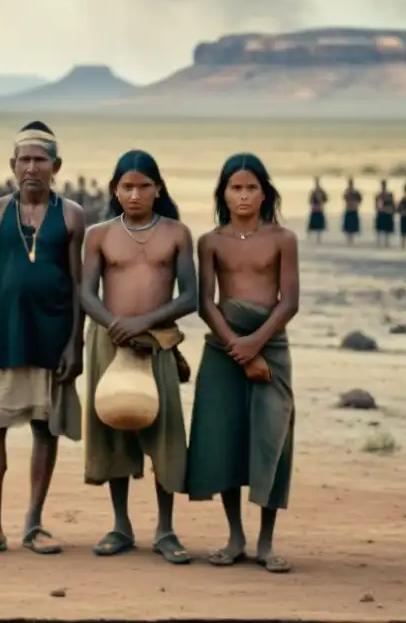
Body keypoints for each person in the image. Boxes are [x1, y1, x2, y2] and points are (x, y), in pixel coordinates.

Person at [0, 121, 85, 558]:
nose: (31, 168)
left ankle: (34, 524)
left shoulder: (72, 215)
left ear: (56, 166)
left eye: (39, 160)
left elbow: (81, 286)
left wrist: (75, 344)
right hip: (6, 335)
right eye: (23, 159)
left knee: (45, 428)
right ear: (12, 165)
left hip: (53, 335)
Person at [80, 150, 196, 565]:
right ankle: (120, 526)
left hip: (157, 342)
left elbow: (191, 296)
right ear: (115, 190)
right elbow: (85, 293)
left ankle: (165, 530)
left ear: (157, 189)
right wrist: (116, 324)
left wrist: (144, 322)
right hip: (108, 341)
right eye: (126, 186)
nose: (134, 194)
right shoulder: (99, 234)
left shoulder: (177, 233)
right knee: (113, 429)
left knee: (164, 432)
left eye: (143, 186)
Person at [186, 152, 299, 574]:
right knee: (226, 440)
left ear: (265, 192)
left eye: (252, 187)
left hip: (270, 347)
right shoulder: (211, 241)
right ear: (224, 193)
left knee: (271, 440)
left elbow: (289, 302)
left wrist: (256, 343)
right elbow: (205, 303)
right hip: (222, 349)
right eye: (236, 187)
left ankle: (267, 542)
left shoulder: (283, 239)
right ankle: (235, 536)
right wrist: (236, 345)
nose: (244, 195)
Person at [374, 179, 396, 247]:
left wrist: (391, 210)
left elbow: (393, 204)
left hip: (387, 213)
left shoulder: (389, 194)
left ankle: (386, 242)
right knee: (380, 230)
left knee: (387, 230)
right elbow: (377, 206)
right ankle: (380, 243)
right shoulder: (379, 195)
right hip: (382, 213)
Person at [306, 176, 327, 243]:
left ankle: (318, 239)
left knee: (319, 225)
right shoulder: (314, 191)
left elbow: (325, 199)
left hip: (319, 208)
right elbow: (310, 200)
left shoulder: (320, 191)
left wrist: (321, 202)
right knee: (313, 224)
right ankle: (312, 238)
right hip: (315, 208)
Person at [342, 177, 362, 244]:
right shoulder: (346, 191)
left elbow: (360, 200)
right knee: (348, 226)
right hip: (348, 209)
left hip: (353, 209)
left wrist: (355, 204)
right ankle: (348, 239)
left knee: (353, 226)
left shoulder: (355, 192)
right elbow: (344, 198)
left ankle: (352, 239)